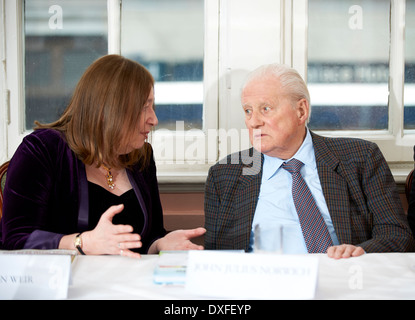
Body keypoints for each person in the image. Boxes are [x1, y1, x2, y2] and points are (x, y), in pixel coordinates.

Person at [0, 54, 205, 258]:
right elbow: (16, 238)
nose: (154, 119)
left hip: (126, 283)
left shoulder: (142, 156)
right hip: (65, 285)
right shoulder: (42, 149)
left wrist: (160, 244)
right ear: (110, 110)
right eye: (144, 107)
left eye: (153, 106)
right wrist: (82, 242)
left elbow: (148, 237)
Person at [204, 63, 415, 259]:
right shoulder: (225, 174)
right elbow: (218, 257)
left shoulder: (360, 157)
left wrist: (359, 252)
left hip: (341, 284)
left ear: (301, 111)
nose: (253, 122)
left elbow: (397, 235)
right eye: (248, 111)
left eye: (265, 109)